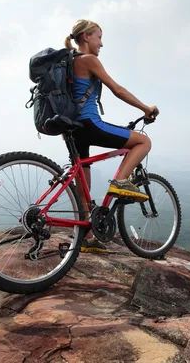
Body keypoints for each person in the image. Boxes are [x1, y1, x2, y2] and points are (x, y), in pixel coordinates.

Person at [64, 19, 158, 252]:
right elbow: (118, 90)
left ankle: (86, 238)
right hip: (88, 123)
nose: (101, 44)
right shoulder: (88, 60)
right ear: (86, 37)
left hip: (71, 128)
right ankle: (121, 182)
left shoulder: (69, 61)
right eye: (99, 37)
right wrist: (146, 109)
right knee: (143, 141)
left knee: (83, 180)